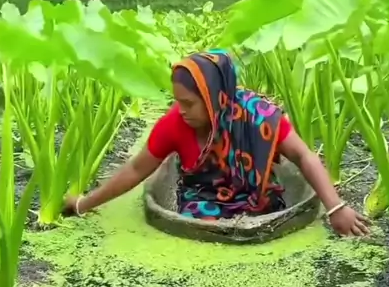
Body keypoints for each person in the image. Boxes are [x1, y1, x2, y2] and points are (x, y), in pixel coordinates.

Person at [63, 51, 368, 236]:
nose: (182, 110)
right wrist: (83, 204)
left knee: (267, 214)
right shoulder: (173, 124)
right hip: (202, 204)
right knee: (201, 227)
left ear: (215, 98)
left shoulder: (257, 116)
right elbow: (135, 170)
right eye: (177, 101)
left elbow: (303, 156)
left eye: (189, 103)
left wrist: (336, 207)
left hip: (257, 201)